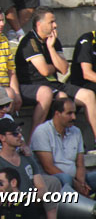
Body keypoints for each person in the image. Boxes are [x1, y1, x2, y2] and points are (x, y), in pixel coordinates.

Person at [16, 7, 96, 137]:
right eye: (51, 22)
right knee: (63, 99)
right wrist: (54, 65)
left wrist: (51, 48)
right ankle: (42, 138)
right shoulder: (30, 42)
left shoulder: (53, 40)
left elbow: (64, 69)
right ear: (39, 24)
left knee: (89, 95)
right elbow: (45, 71)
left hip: (55, 85)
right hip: (35, 85)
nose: (55, 25)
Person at [0, 118, 54, 219]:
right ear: (2, 137)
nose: (19, 135)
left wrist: (25, 199)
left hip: (30, 208)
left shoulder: (27, 157)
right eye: (15, 133)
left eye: (19, 131)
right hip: (12, 213)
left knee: (54, 182)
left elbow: (42, 189)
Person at [31, 98, 96, 196]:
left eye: (74, 113)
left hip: (76, 179)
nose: (74, 117)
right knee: (66, 179)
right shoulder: (42, 132)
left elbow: (80, 164)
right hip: (54, 180)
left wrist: (81, 184)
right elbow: (48, 167)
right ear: (57, 114)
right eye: (69, 113)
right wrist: (75, 183)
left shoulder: (76, 131)